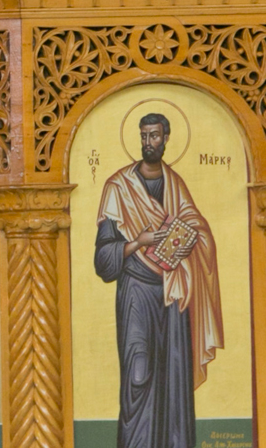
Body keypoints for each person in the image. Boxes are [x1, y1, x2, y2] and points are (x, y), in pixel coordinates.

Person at [94, 113, 223, 448]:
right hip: (136, 293)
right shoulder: (118, 188)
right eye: (144, 136)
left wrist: (190, 238)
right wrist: (138, 241)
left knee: (173, 381)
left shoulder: (175, 184)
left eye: (154, 136)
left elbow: (196, 226)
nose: (148, 142)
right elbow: (103, 259)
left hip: (172, 293)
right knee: (138, 376)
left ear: (166, 138)